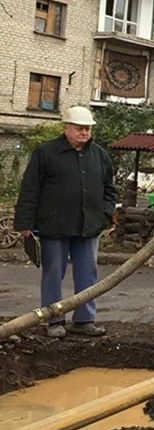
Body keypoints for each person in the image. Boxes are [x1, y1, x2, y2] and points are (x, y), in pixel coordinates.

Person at [14, 106, 117, 338]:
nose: (84, 132)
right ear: (66, 128)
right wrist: (24, 224)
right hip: (55, 226)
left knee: (87, 274)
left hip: (88, 225)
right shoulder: (46, 153)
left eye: (88, 128)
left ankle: (83, 320)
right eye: (79, 128)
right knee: (53, 273)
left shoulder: (99, 155)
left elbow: (109, 189)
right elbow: (30, 189)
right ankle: (54, 320)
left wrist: (105, 214)